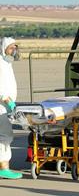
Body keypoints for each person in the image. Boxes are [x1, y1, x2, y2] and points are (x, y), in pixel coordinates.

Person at [0, 37, 22, 180]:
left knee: (5, 136)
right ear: (4, 48)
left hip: (7, 106)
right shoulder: (1, 64)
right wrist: (6, 99)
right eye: (11, 48)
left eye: (15, 47)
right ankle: (4, 168)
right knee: (4, 136)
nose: (14, 50)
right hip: (2, 106)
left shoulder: (7, 64)